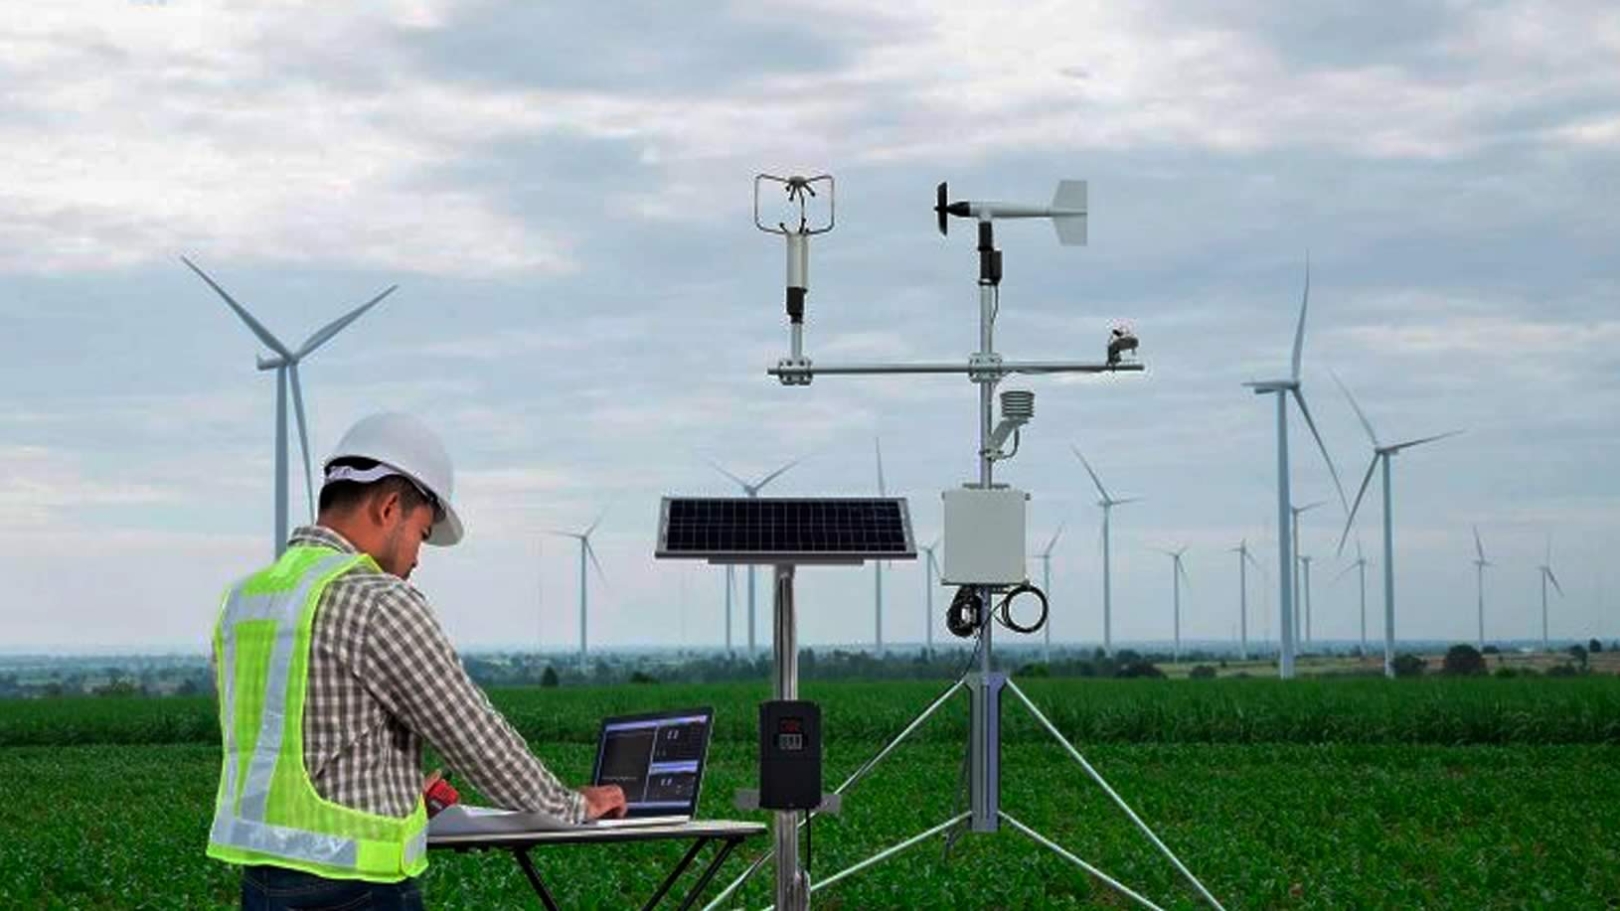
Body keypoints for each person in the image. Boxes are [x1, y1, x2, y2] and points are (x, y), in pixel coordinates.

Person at [206, 412, 626, 911]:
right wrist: (572, 806)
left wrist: (400, 792)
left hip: (264, 884)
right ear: (389, 507)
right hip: (356, 887)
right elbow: (475, 737)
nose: (417, 559)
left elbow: (294, 743)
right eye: (422, 535)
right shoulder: (377, 600)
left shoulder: (245, 601)